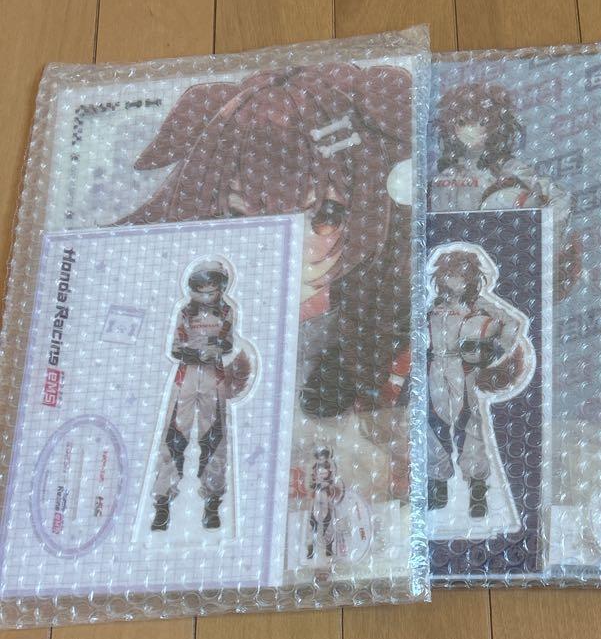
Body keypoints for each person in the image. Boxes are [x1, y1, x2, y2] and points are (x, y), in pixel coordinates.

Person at [121, 62, 416, 501]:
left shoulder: (377, 315)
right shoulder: (192, 306)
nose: (287, 246)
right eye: (240, 217)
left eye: (325, 215)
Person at [428, 81, 580, 296]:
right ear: (451, 126)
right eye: (462, 122)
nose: (470, 130)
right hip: (461, 269)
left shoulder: (511, 169)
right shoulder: (445, 178)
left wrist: (537, 237)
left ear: (495, 126)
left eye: (481, 122)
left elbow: (560, 200)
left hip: (508, 264)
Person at [426, 248, 531, 519]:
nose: (455, 280)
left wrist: (496, 350)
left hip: (463, 368)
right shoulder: (433, 304)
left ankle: (477, 491)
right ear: (441, 276)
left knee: (469, 427)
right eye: (449, 274)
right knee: (434, 426)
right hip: (435, 367)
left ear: (470, 278)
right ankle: (437, 486)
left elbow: (512, 323)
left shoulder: (478, 304)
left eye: (461, 275)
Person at [151, 260, 250, 531]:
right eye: (202, 287)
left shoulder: (227, 311)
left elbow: (227, 342)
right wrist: (196, 352)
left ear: (220, 287)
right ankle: (162, 502)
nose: (207, 293)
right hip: (186, 376)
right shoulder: (185, 312)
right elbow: (175, 347)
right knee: (173, 437)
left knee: (214, 439)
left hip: (213, 377)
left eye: (212, 287)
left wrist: (214, 349)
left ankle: (212, 503)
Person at [307, 447, 346, 560]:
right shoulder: (314, 468)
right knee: (313, 522)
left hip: (326, 498)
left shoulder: (331, 468)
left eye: (323, 457)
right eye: (320, 457)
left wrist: (328, 486)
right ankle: (311, 549)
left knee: (327, 523)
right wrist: (315, 485)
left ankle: (329, 549)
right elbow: (311, 483)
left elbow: (334, 482)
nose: (322, 460)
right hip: (317, 498)